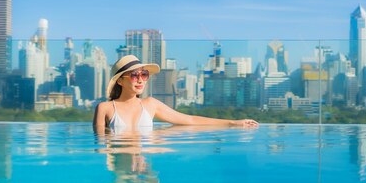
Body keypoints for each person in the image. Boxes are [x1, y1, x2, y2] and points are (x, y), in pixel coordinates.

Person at [93, 55, 259, 133]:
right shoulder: (105, 108)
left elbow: (190, 120)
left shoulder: (150, 104)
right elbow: (100, 144)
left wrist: (233, 123)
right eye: (134, 75)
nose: (141, 80)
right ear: (120, 81)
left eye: (144, 75)